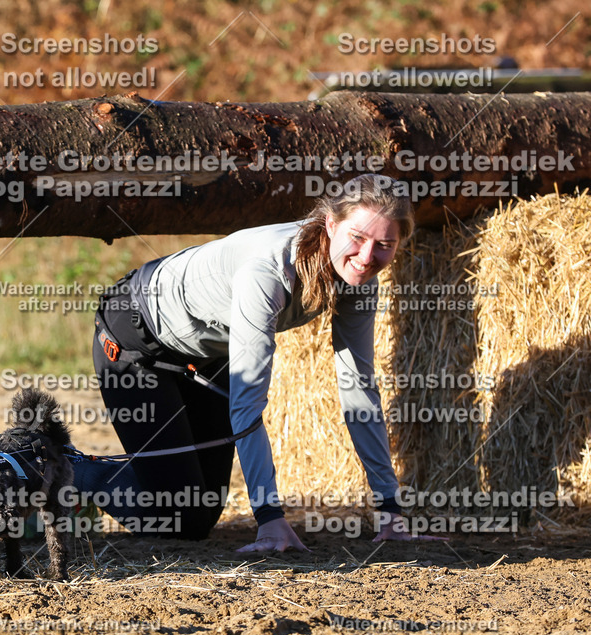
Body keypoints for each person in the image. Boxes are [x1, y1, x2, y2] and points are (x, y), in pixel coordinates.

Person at [72, 174, 443, 551]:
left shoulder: (358, 280)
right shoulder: (267, 271)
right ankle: (71, 471)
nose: (367, 257)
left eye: (384, 245)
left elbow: (358, 388)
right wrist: (270, 519)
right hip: (136, 343)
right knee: (177, 518)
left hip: (206, 356)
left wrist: (390, 509)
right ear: (331, 224)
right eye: (358, 239)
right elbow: (249, 399)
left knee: (199, 511)